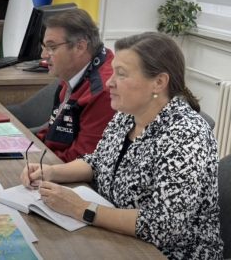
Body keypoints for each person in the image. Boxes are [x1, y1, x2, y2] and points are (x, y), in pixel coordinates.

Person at [21, 32, 223, 259]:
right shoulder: (127, 115)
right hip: (117, 239)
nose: (109, 82)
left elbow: (163, 226)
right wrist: (51, 172)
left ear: (158, 82)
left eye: (122, 74)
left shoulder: (186, 134)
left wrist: (80, 208)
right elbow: (98, 162)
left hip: (166, 254)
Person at [11, 8, 115, 162]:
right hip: (52, 161)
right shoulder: (74, 71)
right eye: (44, 47)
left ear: (80, 47)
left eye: (52, 47)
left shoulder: (104, 91)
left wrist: (33, 161)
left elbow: (83, 159)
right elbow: (54, 131)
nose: (43, 55)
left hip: (69, 171)